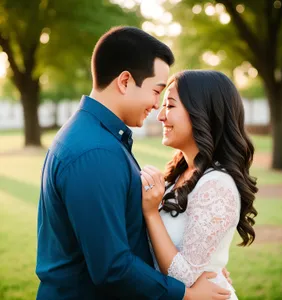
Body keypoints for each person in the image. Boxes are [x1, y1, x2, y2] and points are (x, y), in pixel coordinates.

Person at [36, 27, 232, 299]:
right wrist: (186, 294)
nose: (156, 106)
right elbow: (112, 267)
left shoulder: (96, 137)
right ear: (125, 81)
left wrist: (204, 269)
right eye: (156, 91)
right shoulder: (95, 152)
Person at [141, 70, 258, 300]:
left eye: (170, 106)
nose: (160, 116)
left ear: (202, 113)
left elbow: (183, 278)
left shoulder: (217, 186)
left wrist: (151, 213)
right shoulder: (181, 173)